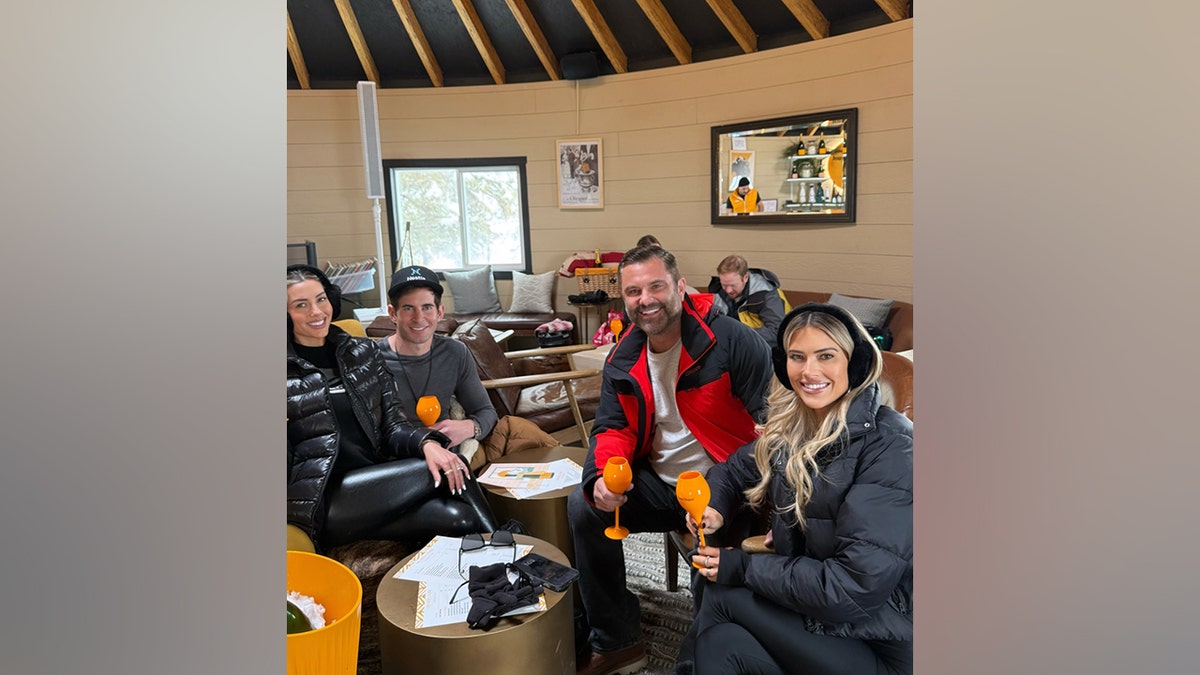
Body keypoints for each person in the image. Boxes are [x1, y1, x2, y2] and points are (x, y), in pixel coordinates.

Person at [568, 244, 774, 675]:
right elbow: (611, 427)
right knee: (583, 506)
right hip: (661, 485)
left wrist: (727, 491)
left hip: (725, 487)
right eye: (634, 291)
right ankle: (617, 641)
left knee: (714, 586)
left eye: (656, 286)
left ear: (680, 286)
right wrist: (602, 480)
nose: (646, 300)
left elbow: (773, 431)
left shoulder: (734, 341)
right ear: (623, 298)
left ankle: (701, 656)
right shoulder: (623, 356)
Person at [684, 303, 913, 675]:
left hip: (881, 642)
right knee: (719, 645)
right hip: (823, 615)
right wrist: (714, 506)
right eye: (797, 356)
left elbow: (852, 587)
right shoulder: (797, 430)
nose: (809, 371)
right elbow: (733, 470)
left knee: (722, 594)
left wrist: (744, 568)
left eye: (826, 356)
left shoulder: (893, 446)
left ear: (853, 364)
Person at [286, 264, 498, 551]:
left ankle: (489, 558)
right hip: (324, 497)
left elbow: (393, 426)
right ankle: (504, 549)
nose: (316, 312)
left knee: (458, 518)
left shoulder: (361, 353)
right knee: (445, 464)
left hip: (377, 483)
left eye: (321, 299)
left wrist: (427, 444)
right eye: (301, 305)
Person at [376, 265, 499, 452]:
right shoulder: (372, 359)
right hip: (397, 459)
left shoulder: (455, 352)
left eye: (427, 307)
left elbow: (486, 412)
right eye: (409, 308)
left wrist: (469, 427)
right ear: (393, 314)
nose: (419, 318)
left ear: (440, 312)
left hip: (448, 453)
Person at [707, 254, 791, 343]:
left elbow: (777, 332)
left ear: (745, 277)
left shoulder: (767, 294)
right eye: (724, 284)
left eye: (733, 285)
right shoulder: (717, 293)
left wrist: (739, 335)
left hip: (771, 347)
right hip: (737, 344)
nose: (728, 290)